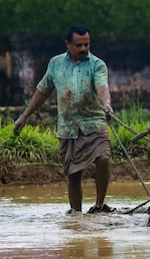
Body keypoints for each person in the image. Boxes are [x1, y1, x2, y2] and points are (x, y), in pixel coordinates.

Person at [13, 25, 114, 214]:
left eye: (87, 44)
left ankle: (100, 205)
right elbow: (42, 90)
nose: (84, 49)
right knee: (73, 174)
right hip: (68, 127)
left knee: (103, 159)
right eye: (78, 45)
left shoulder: (97, 64)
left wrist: (106, 103)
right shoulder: (56, 64)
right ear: (68, 44)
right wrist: (24, 117)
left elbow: (102, 87)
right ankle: (76, 213)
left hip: (94, 122)